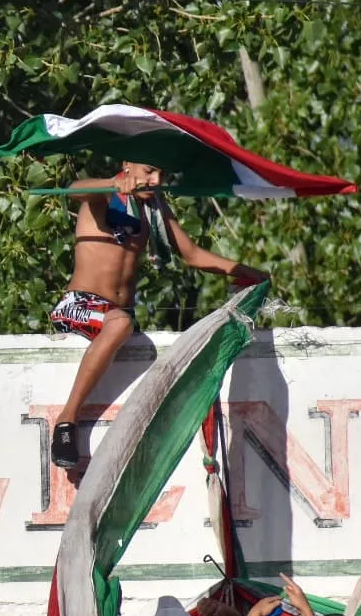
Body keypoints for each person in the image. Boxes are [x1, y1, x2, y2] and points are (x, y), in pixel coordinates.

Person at [48, 162, 268, 468]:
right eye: (150, 171)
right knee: (121, 324)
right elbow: (75, 190)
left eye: (163, 174)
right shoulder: (103, 194)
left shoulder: (153, 207)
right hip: (79, 305)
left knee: (129, 326)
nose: (156, 180)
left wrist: (247, 272)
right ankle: (66, 421)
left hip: (116, 316)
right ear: (127, 165)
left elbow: (192, 255)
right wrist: (112, 183)